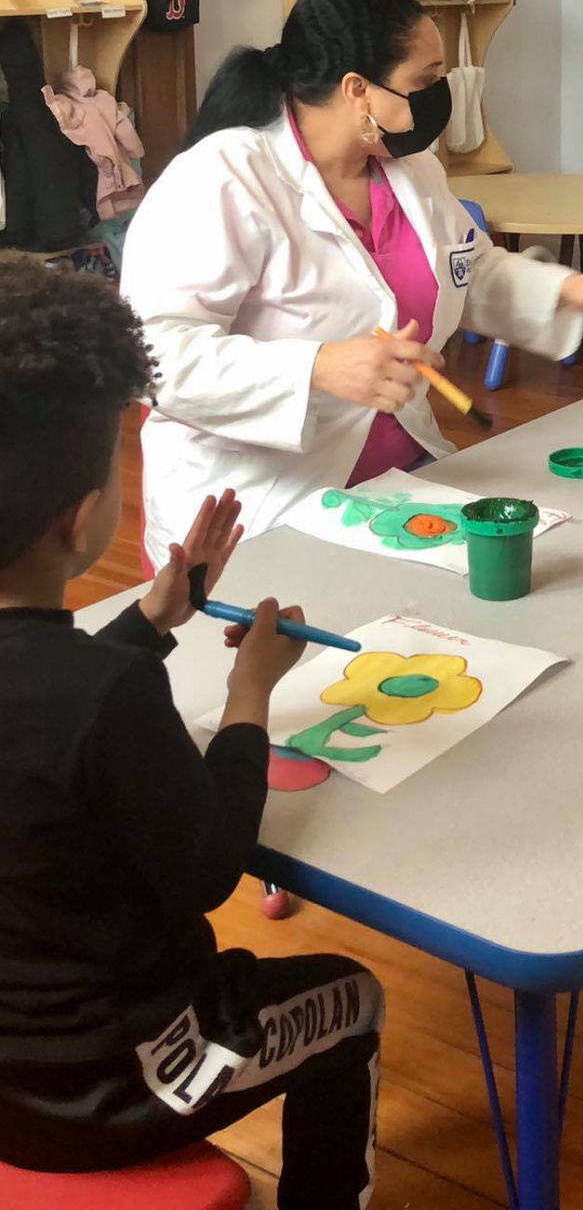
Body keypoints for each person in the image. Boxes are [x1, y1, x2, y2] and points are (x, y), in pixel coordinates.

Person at [0, 260, 383, 1210]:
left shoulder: (84, 680)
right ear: (89, 519)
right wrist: (251, 693)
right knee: (357, 998)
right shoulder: (100, 695)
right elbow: (210, 865)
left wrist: (154, 620)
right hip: (118, 1081)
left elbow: (40, 724)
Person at [122, 0, 583, 571]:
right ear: (357, 90)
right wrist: (317, 368)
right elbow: (148, 354)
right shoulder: (223, 178)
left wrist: (566, 289)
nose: (439, 95)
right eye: (425, 80)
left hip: (397, 485)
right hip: (259, 502)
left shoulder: (408, 168)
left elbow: (466, 269)